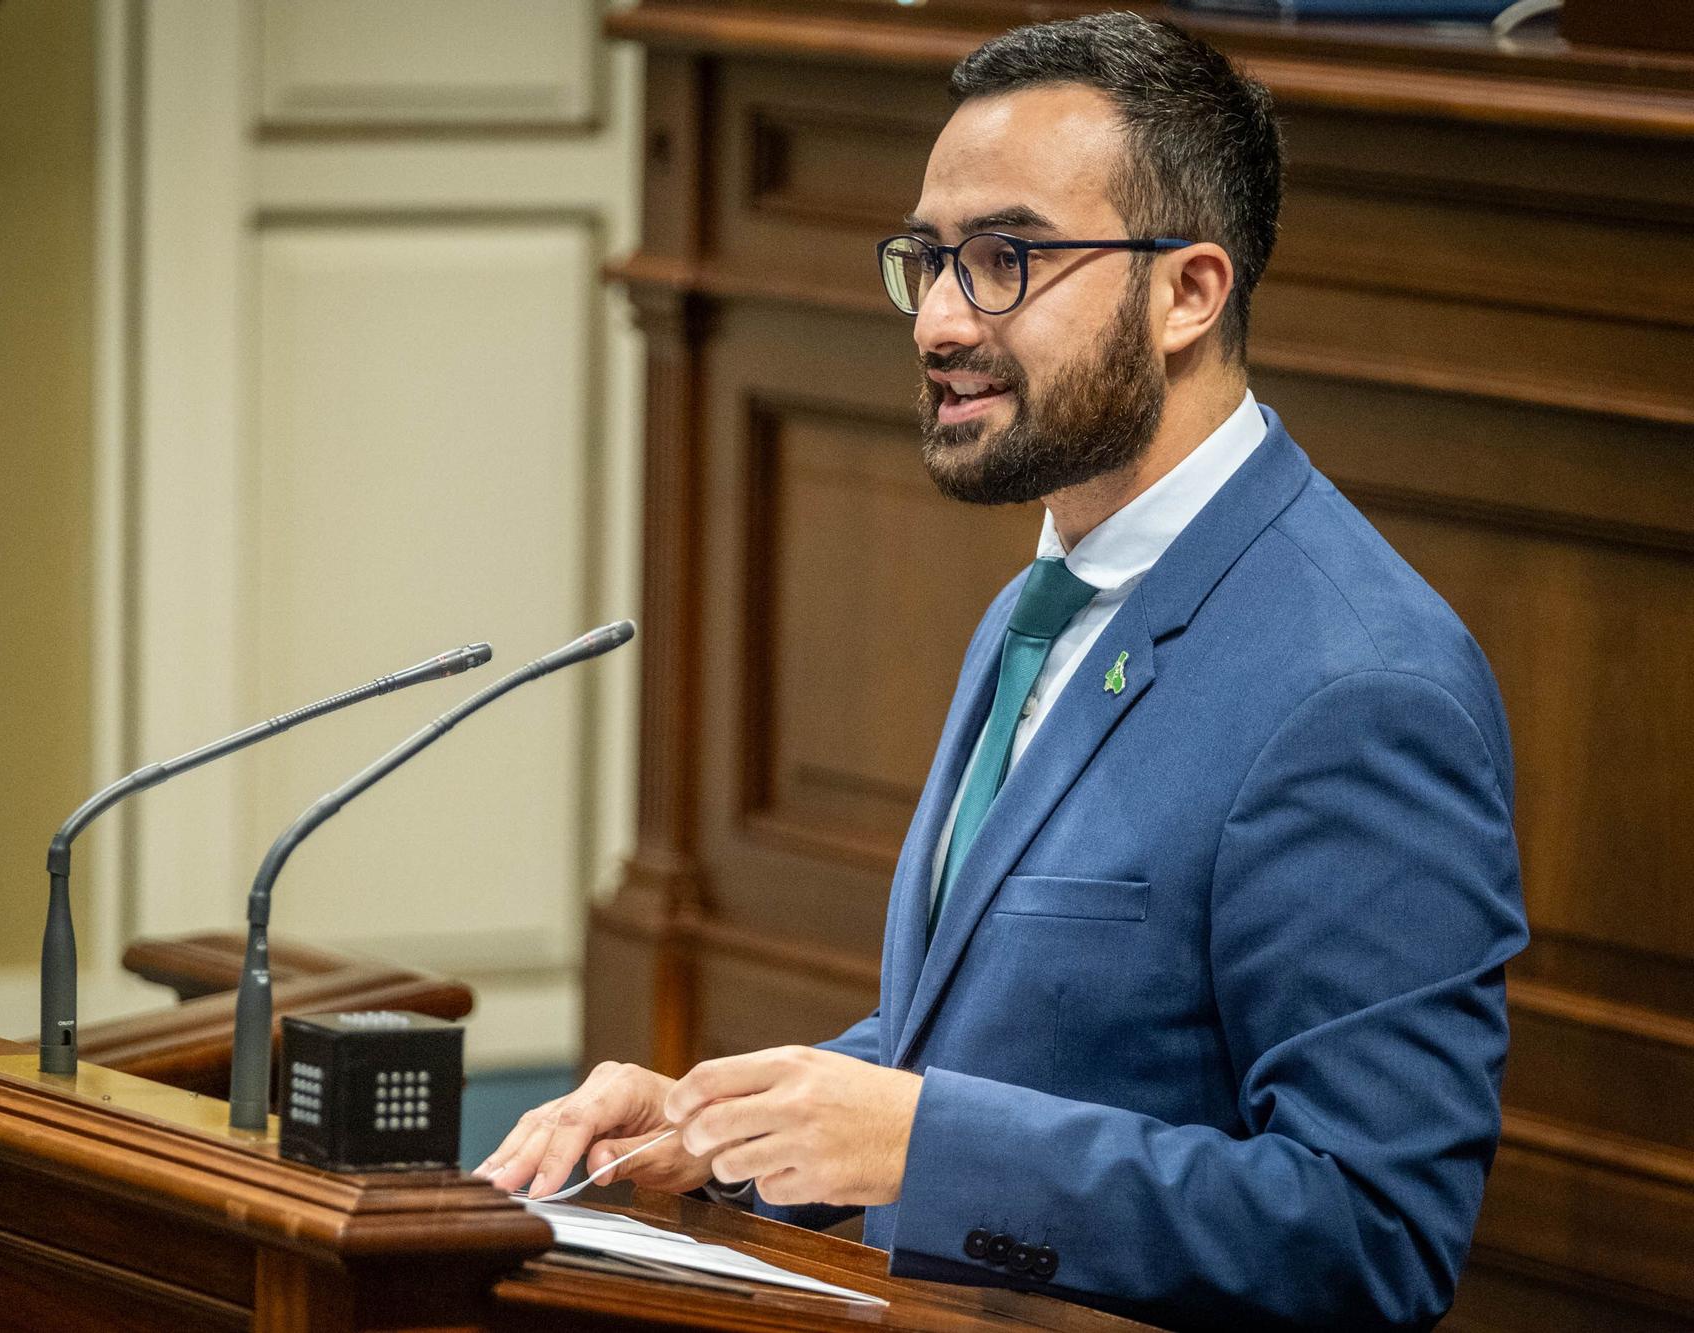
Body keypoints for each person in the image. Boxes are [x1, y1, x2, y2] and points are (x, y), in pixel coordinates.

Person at [478, 12, 1527, 1329]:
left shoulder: (1365, 686)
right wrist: (719, 1122)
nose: (932, 321)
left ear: (1187, 291)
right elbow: (1016, 1046)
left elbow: (1374, 1236)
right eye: (926, 260)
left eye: (1005, 260)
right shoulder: (1043, 600)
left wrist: (925, 1141)